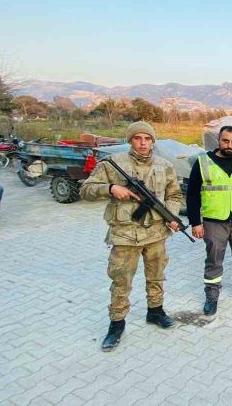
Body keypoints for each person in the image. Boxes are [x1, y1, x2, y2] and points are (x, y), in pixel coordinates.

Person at [80, 121, 183, 352]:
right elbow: (85, 190)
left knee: (156, 275)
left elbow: (175, 195)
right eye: (138, 138)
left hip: (156, 233)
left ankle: (155, 312)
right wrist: (110, 189)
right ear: (130, 140)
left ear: (153, 141)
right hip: (125, 234)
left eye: (148, 139)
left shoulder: (165, 166)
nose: (143, 143)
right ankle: (116, 324)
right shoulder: (113, 164)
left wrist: (171, 215)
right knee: (121, 280)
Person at [186, 125, 232, 316]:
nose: (230, 145)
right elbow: (192, 194)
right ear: (218, 140)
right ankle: (212, 296)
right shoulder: (202, 162)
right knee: (214, 258)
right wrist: (195, 222)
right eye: (225, 140)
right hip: (214, 220)